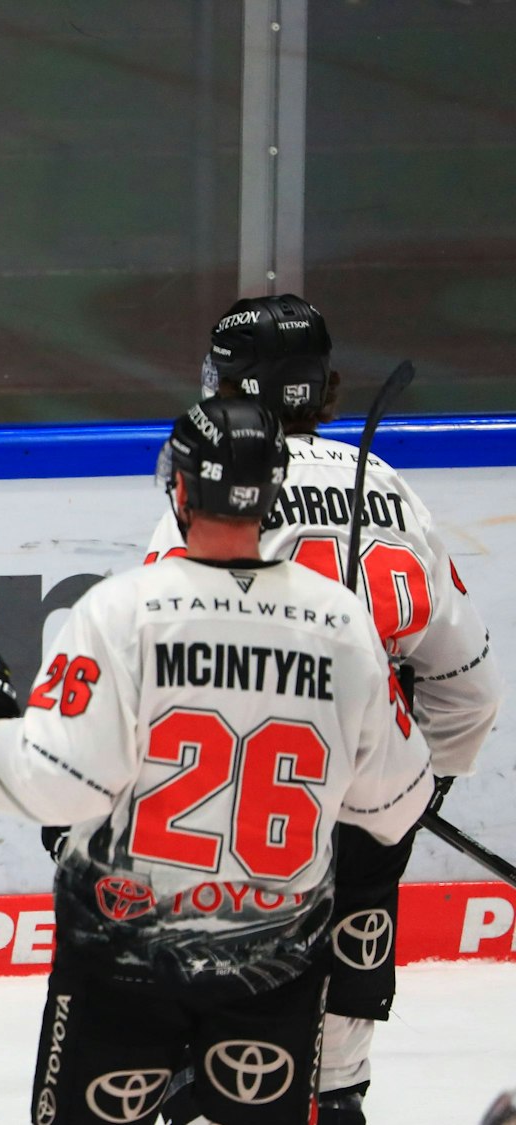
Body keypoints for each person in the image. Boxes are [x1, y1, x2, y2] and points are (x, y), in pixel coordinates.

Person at [0, 398, 433, 1125]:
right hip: (277, 958)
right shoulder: (343, 623)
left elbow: (54, 785)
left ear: (182, 489)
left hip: (124, 954)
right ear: (272, 491)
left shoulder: (125, 611)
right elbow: (399, 803)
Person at [140, 296, 501, 1125]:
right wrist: (412, 793)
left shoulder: (214, 487)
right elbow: (469, 690)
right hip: (369, 804)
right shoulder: (391, 490)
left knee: (225, 1076)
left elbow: (153, 671)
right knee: (332, 1084)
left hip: (241, 821)